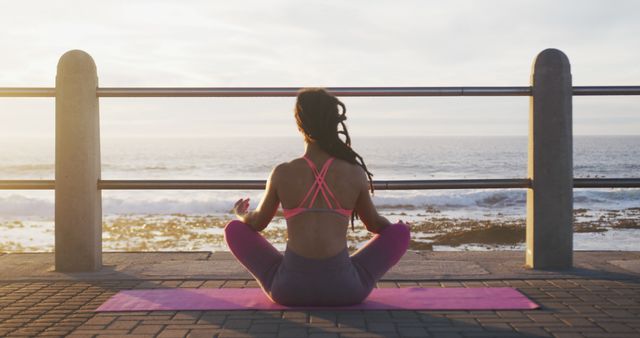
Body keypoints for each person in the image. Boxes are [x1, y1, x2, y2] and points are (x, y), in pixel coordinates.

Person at [225, 88, 411, 306]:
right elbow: (375, 225)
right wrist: (399, 230)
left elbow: (257, 223)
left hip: (289, 290)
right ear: (334, 123)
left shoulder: (282, 172)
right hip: (345, 290)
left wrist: (241, 215)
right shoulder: (354, 173)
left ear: (299, 123)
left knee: (233, 230)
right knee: (400, 232)